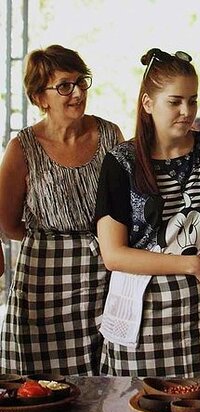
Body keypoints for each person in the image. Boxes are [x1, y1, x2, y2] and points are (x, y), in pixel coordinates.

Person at [95, 48, 200, 377]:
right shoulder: (121, 162)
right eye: (175, 101)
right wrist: (190, 263)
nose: (186, 111)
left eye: (192, 101)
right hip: (142, 308)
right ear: (148, 103)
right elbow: (113, 255)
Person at [0, 45, 123, 375]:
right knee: (40, 387)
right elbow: (8, 223)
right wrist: (56, 243)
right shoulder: (22, 148)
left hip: (104, 277)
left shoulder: (110, 135)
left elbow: (127, 208)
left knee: (104, 386)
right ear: (41, 97)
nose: (78, 92)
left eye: (82, 82)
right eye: (65, 85)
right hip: (42, 283)